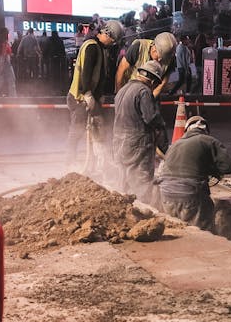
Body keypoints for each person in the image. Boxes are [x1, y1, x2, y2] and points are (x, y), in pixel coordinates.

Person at [158, 114, 231, 232]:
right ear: (205, 130)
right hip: (190, 194)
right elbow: (227, 167)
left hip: (166, 195)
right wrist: (212, 170)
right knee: (203, 228)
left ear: (187, 130)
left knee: (178, 231)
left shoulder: (174, 145)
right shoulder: (209, 140)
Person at [111, 60, 169, 205]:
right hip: (137, 142)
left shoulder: (123, 90)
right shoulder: (144, 92)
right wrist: (162, 133)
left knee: (122, 177)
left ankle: (123, 208)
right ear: (152, 80)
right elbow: (151, 118)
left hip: (118, 141)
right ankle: (146, 211)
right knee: (141, 179)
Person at [66, 18, 125, 158]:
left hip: (88, 97)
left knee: (96, 129)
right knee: (77, 132)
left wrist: (98, 95)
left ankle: (96, 164)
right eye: (112, 41)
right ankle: (70, 164)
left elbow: (97, 75)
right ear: (107, 34)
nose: (112, 44)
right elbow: (86, 73)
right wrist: (87, 94)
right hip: (80, 98)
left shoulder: (98, 47)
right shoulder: (92, 47)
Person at [115, 30, 177, 98]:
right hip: (128, 90)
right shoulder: (138, 47)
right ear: (154, 48)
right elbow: (121, 70)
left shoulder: (170, 58)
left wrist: (150, 99)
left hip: (149, 93)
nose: (159, 61)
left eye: (163, 59)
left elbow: (162, 84)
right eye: (159, 57)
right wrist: (119, 95)